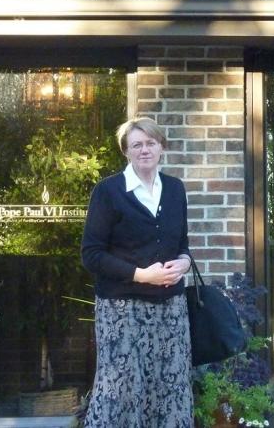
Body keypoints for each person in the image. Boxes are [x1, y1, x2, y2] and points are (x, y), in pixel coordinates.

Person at [81, 116, 193, 428]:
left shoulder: (175, 189)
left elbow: (182, 244)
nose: (145, 150)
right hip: (121, 309)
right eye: (137, 145)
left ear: (162, 147)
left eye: (150, 143)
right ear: (126, 151)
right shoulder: (108, 191)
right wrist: (141, 275)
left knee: (170, 387)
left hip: (170, 309)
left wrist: (184, 262)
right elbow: (91, 255)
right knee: (120, 391)